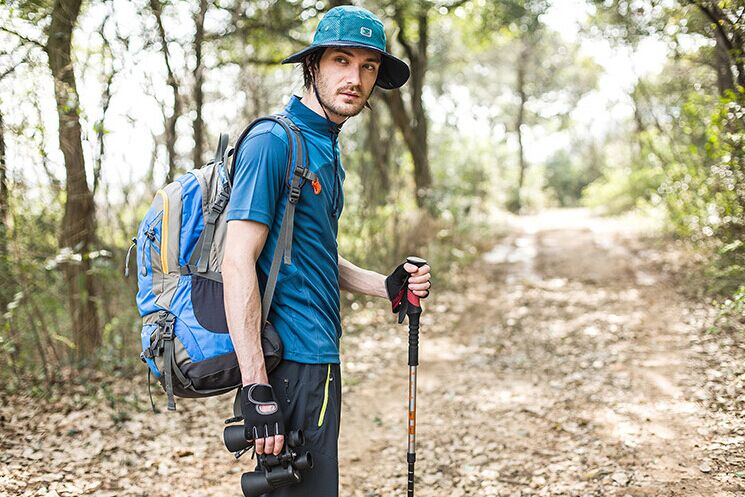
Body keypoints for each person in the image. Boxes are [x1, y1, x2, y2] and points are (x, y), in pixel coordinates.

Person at [221, 5, 432, 496]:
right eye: (341, 60)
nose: (355, 78)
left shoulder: (327, 149)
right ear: (313, 65)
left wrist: (386, 285)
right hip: (289, 362)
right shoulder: (274, 142)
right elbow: (237, 261)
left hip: (319, 358)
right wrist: (256, 387)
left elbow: (313, 256)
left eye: (368, 67)